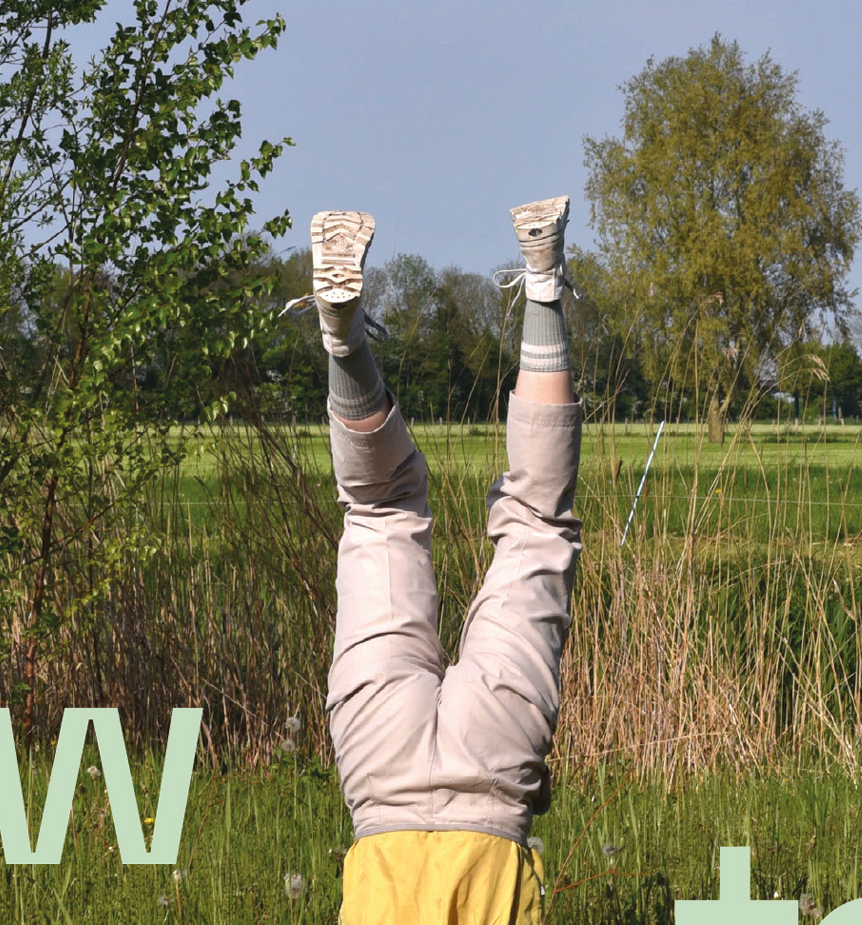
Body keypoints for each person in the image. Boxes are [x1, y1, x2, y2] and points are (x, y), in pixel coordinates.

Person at [284, 199, 583, 924]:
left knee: (538, 520)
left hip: (492, 765)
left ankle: (542, 281)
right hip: (380, 768)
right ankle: (343, 337)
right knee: (379, 509)